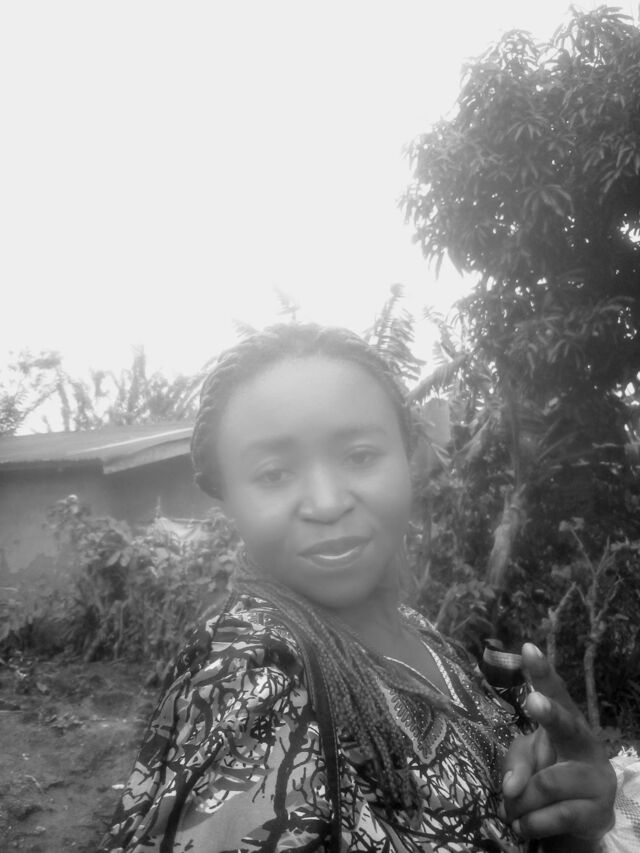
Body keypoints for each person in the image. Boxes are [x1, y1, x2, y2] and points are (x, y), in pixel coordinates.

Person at [98, 323, 621, 853]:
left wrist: (572, 820)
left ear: (409, 459)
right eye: (274, 474)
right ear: (227, 497)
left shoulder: (421, 633)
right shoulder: (251, 679)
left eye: (361, 456)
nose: (327, 504)